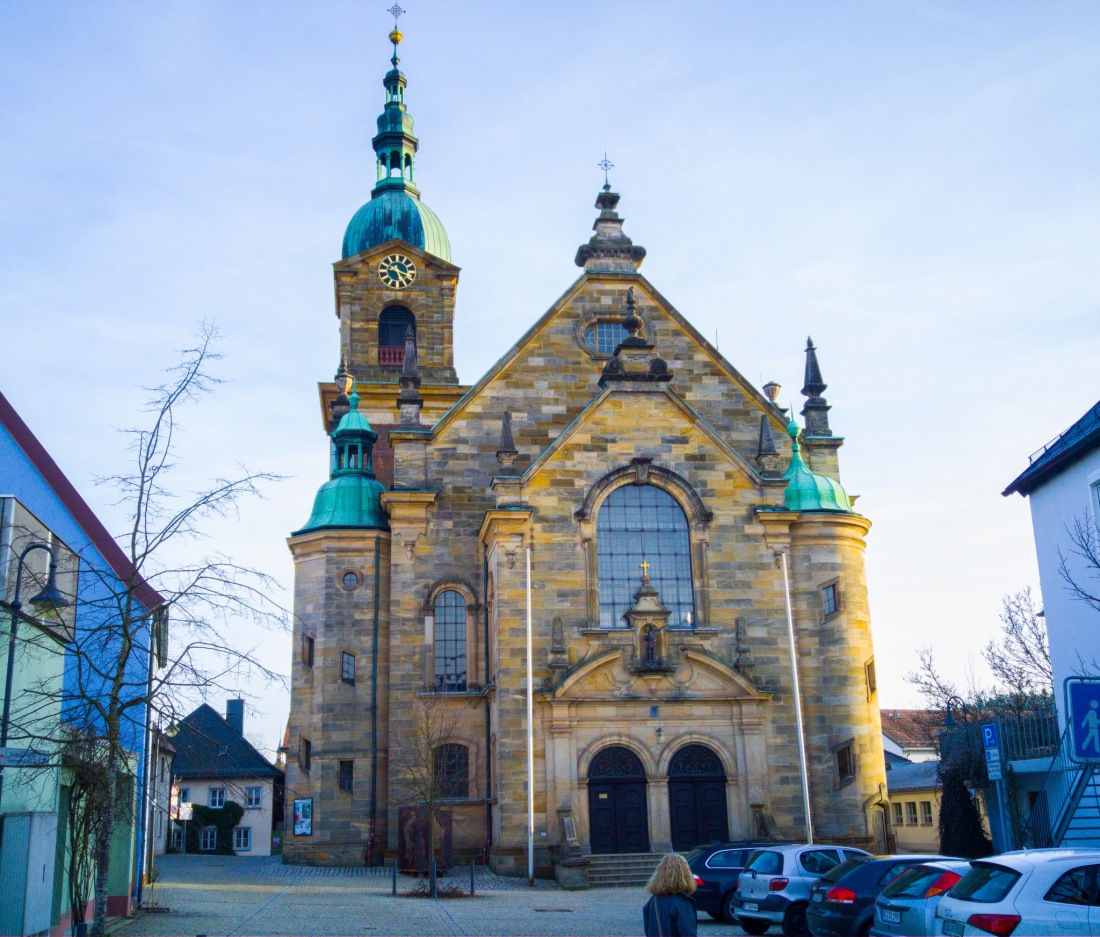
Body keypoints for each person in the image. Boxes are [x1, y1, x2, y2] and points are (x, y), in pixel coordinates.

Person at [642, 853, 698, 936]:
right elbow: (688, 933)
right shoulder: (682, 903)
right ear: (685, 874)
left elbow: (648, 931)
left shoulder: (653, 900)